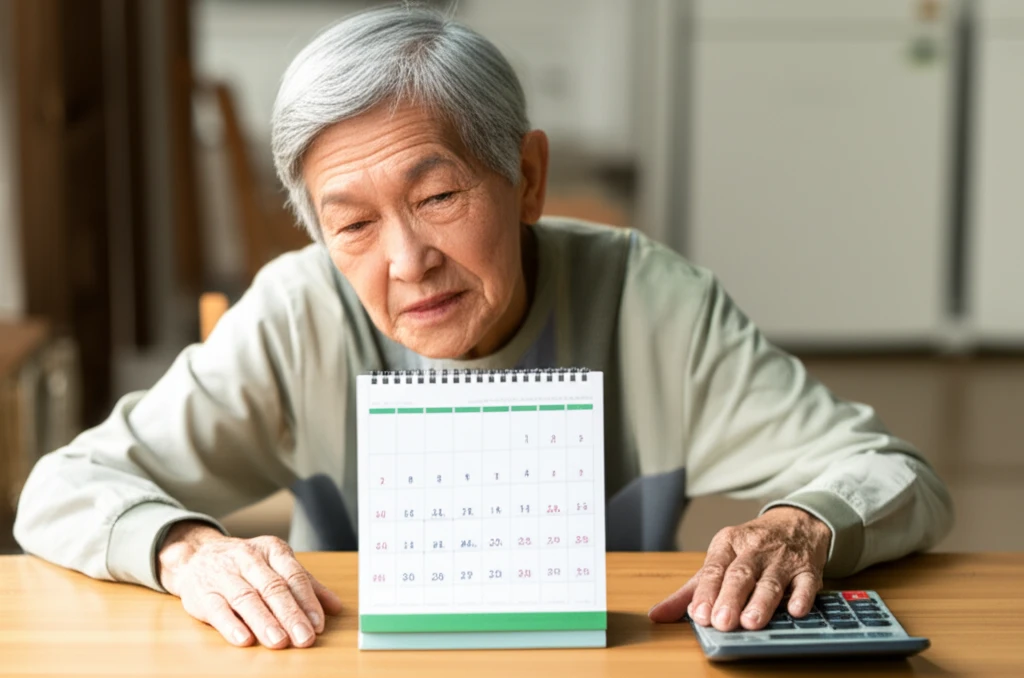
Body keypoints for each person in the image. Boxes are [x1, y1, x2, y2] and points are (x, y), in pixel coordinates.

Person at [14, 5, 953, 650]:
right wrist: (190, 547)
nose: (407, 261)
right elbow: (60, 490)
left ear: (528, 178)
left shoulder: (648, 301)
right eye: (353, 224)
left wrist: (799, 525)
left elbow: (896, 475)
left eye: (439, 195)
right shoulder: (301, 309)